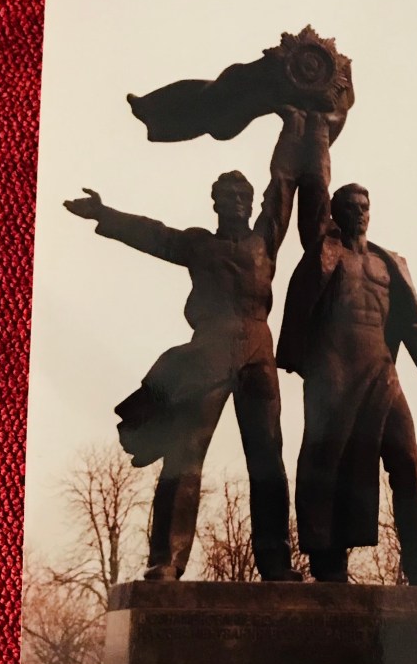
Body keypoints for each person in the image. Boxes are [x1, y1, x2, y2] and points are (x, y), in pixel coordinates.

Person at [64, 109, 315, 582]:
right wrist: (105, 215)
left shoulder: (267, 240)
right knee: (186, 455)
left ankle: (277, 561)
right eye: (228, 196)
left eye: (243, 195)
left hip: (259, 353)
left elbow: (282, 185)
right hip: (211, 355)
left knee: (267, 459)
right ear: (216, 204)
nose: (238, 201)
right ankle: (167, 560)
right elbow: (155, 235)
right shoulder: (199, 245)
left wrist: (295, 129)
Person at [276, 119, 417, 585]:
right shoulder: (325, 250)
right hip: (332, 377)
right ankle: (328, 564)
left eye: (365, 205)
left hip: (381, 376)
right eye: (350, 206)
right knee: (328, 465)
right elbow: (316, 186)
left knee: (407, 459)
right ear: (336, 213)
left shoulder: (389, 264)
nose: (359, 212)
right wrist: (316, 129)